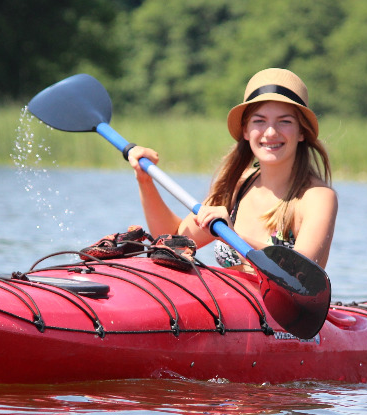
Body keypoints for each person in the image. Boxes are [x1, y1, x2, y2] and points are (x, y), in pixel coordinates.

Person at [127, 68, 337, 271]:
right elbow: (172, 238)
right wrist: (145, 181)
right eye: (259, 121)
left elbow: (303, 273)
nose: (271, 132)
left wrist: (232, 236)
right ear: (246, 130)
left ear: (302, 132)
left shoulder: (317, 197)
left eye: (285, 121)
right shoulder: (239, 186)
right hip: (231, 303)